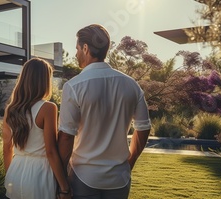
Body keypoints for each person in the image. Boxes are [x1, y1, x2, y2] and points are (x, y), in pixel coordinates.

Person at [57, 24, 152, 199]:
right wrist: (129, 162)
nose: (76, 53)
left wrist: (61, 180)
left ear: (85, 48)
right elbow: (144, 127)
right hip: (119, 179)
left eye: (77, 48)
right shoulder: (131, 85)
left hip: (83, 177)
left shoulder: (74, 86)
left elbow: (65, 136)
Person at [3, 58, 71, 199]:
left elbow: (6, 148)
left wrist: (10, 174)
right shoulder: (48, 108)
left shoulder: (10, 109)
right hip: (39, 175)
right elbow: (51, 151)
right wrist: (64, 187)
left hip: (15, 171)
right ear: (44, 81)